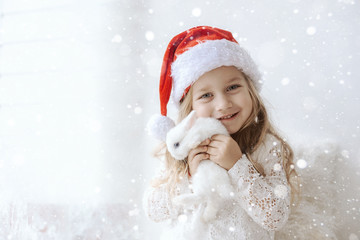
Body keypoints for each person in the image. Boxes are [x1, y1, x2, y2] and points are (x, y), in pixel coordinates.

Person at [143, 26, 299, 240]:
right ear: (190, 111)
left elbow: (275, 216)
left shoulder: (265, 146)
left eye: (232, 87)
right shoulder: (181, 151)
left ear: (250, 91)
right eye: (206, 95)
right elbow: (154, 211)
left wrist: (237, 165)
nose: (223, 104)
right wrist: (189, 177)